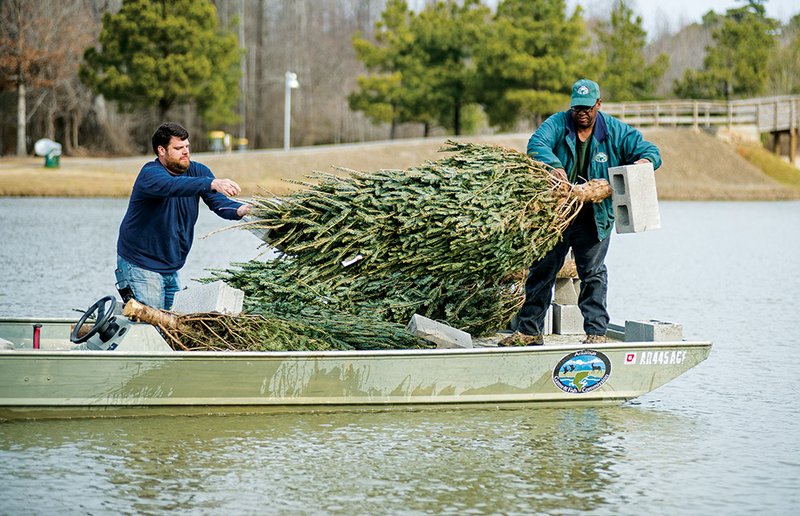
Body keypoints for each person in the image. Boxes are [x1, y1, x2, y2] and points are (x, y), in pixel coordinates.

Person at [500, 79, 662, 346]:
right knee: (543, 269)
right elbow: (537, 143)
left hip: (595, 217)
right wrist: (553, 166)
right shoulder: (557, 123)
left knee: (593, 273)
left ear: (598, 104)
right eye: (577, 108)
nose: (582, 113)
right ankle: (529, 331)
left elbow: (651, 152)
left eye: (587, 108)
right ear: (571, 106)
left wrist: (641, 165)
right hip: (558, 213)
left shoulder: (615, 131)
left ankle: (596, 333)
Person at [115, 122, 251, 310]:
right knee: (151, 325)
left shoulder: (198, 172)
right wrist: (211, 182)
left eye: (187, 146)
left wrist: (241, 209)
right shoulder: (150, 174)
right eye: (178, 148)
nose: (185, 152)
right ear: (161, 150)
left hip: (171, 266)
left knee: (172, 326)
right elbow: (173, 186)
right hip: (141, 265)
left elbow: (219, 203)